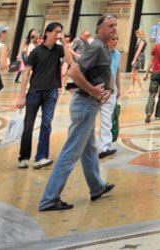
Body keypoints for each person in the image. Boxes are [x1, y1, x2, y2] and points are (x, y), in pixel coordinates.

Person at [38, 15, 117, 212]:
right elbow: (73, 71)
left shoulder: (102, 47)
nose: (114, 29)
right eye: (110, 26)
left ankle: (96, 186)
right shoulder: (97, 47)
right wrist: (93, 90)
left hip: (88, 103)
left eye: (115, 25)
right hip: (85, 104)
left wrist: (105, 90)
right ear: (99, 29)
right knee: (71, 151)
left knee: (89, 148)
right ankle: (49, 198)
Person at [17, 22, 65, 168]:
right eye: (57, 32)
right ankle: (23, 157)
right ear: (48, 33)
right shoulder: (36, 51)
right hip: (35, 91)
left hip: (51, 91)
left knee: (46, 123)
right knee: (28, 125)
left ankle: (41, 157)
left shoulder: (59, 49)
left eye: (60, 32)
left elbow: (69, 60)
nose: (59, 35)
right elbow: (26, 74)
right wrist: (22, 95)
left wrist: (65, 43)